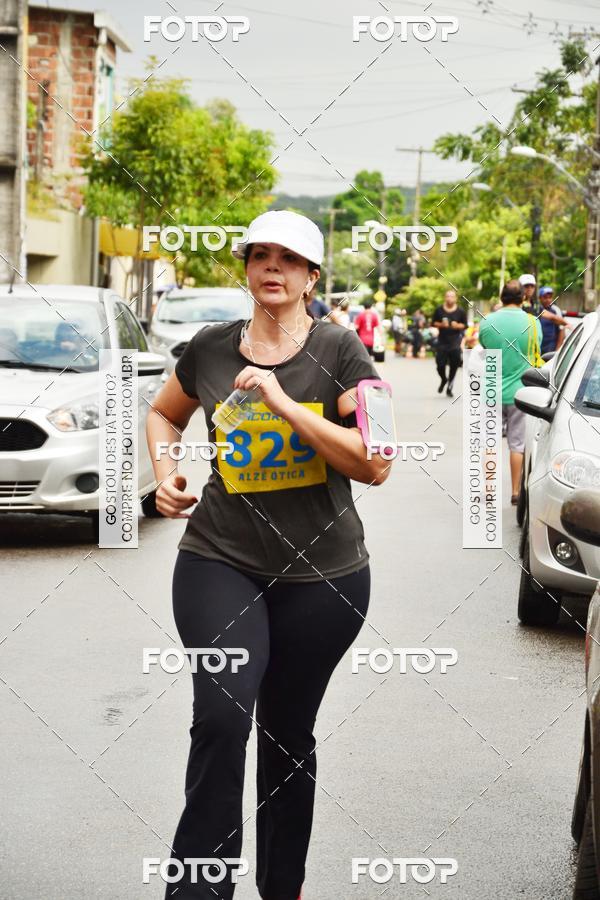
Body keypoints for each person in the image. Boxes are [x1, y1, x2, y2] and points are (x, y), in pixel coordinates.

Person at [145, 209, 392, 900]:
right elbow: (163, 413)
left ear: (312, 277)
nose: (272, 267)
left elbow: (377, 462)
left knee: (286, 734)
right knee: (221, 720)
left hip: (324, 577)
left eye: (289, 258)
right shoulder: (210, 348)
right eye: (260, 255)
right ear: (248, 268)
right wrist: (165, 473)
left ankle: (283, 887)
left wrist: (284, 401)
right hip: (219, 558)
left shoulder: (344, 352)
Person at [478, 279, 542, 505]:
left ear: (501, 297)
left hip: (491, 392)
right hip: (521, 392)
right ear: (523, 297)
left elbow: (485, 348)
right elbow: (536, 350)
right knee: (517, 444)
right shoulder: (533, 322)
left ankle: (489, 489)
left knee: (490, 441)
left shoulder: (487, 322)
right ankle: (515, 491)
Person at [432, 290, 467, 397]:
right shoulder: (439, 310)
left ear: (455, 298)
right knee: (440, 365)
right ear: (445, 297)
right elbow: (433, 323)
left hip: (455, 342)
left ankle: (450, 387)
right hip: (442, 341)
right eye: (447, 296)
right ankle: (444, 379)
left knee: (454, 365)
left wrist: (457, 325)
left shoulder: (460, 311)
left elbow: (465, 325)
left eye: (452, 296)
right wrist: (441, 325)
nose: (449, 298)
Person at [538, 285, 567, 354]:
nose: (548, 300)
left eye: (550, 297)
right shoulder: (536, 309)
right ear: (540, 298)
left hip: (551, 350)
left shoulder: (556, 310)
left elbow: (561, 330)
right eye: (545, 297)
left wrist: (557, 351)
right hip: (538, 350)